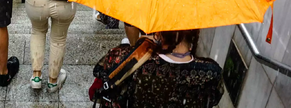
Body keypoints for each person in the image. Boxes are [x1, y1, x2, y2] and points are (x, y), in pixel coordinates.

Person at [93, 29, 224, 107]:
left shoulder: (132, 62)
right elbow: (213, 99)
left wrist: (144, 46)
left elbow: (100, 69)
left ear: (160, 31)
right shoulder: (211, 73)